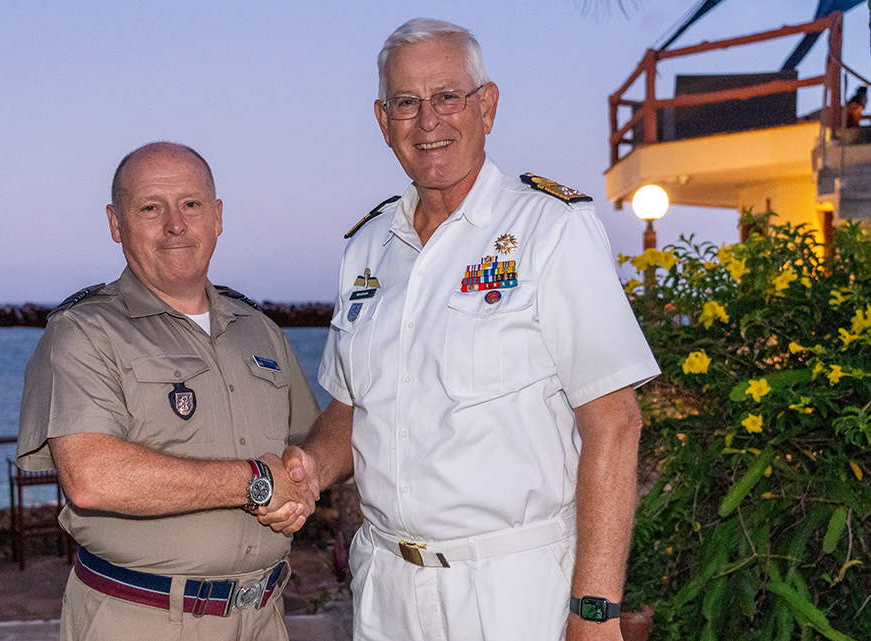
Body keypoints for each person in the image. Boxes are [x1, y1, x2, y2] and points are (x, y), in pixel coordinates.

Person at [262, 18, 660, 641]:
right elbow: (350, 408)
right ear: (383, 120)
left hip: (512, 590)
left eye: (448, 97)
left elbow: (615, 424)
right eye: (406, 103)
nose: (428, 121)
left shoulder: (551, 229)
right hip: (386, 587)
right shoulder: (366, 248)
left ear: (487, 106)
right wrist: (310, 467)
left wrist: (594, 611)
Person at [16, 141, 321, 641]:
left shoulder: (260, 331)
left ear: (217, 217)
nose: (176, 225)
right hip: (141, 619)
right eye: (151, 208)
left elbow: (304, 447)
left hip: (264, 618)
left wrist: (303, 477)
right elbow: (93, 477)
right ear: (116, 224)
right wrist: (256, 483)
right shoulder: (83, 332)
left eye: (191, 204)